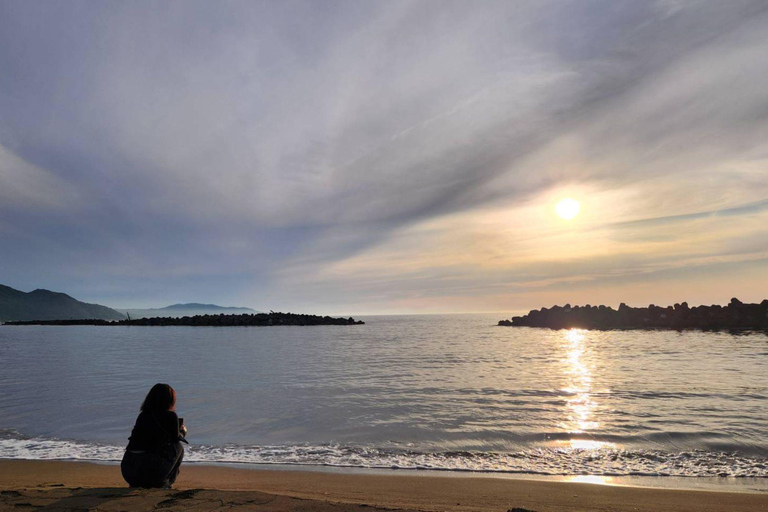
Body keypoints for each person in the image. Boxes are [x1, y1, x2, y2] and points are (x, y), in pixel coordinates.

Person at [121, 383, 188, 488]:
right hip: (151, 471)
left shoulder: (143, 415)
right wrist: (182, 431)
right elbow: (175, 439)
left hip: (129, 469)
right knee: (178, 447)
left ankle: (141, 482)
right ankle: (167, 482)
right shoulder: (171, 416)